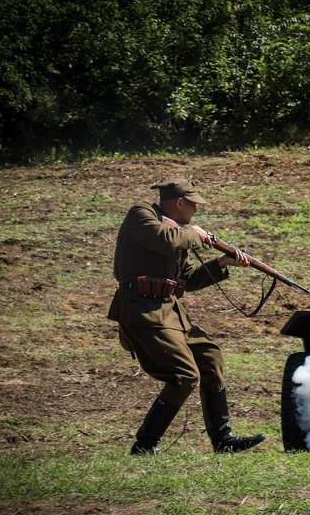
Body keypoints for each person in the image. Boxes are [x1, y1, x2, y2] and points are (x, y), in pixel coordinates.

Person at [108, 178, 266, 455]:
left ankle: (223, 439)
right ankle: (145, 445)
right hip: (140, 310)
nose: (195, 211)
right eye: (193, 205)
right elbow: (164, 241)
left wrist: (221, 263)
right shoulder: (142, 214)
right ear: (180, 202)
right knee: (184, 375)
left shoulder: (177, 231)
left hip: (168, 311)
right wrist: (195, 233)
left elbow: (188, 279)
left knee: (209, 356)